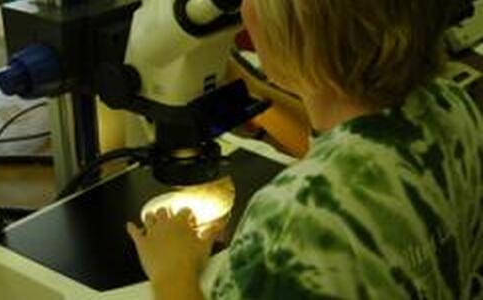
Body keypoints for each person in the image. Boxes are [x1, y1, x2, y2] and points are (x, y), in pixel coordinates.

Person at [127, 0, 483, 299]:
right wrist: (247, 87)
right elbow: (358, 149)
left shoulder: (290, 223)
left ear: (297, 28)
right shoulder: (452, 107)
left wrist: (173, 273)